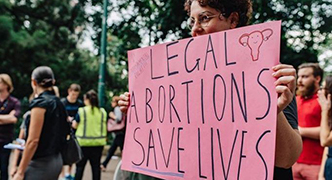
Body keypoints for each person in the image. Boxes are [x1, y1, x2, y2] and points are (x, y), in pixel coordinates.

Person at [118, 0, 303, 179]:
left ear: (233, 20)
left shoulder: (269, 75)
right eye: (192, 20)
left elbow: (287, 159)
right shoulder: (181, 82)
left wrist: (271, 111)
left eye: (205, 18)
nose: (195, 28)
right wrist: (140, 110)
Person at [12, 66, 70, 180]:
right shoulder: (59, 103)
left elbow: (33, 141)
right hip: (57, 159)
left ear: (33, 82)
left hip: (41, 163)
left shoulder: (40, 104)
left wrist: (20, 171)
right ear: (53, 82)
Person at [293, 63, 324, 180]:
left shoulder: (324, 100)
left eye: (305, 77)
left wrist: (300, 131)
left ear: (317, 78)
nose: (299, 81)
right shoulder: (294, 100)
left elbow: (328, 132)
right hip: (294, 163)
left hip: (316, 164)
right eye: (299, 77)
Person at [0, 74, 21, 180]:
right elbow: (10, 118)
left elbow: (14, 119)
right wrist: (6, 117)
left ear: (6, 84)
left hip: (6, 139)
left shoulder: (14, 102)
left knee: (4, 168)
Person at [73, 90, 107, 180]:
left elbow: (75, 125)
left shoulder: (82, 111)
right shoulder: (103, 112)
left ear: (87, 99)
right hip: (98, 144)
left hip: (83, 144)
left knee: (80, 168)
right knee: (96, 168)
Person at [60, 83, 83, 180]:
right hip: (63, 129)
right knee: (61, 153)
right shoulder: (63, 102)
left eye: (76, 95)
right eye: (73, 94)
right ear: (69, 91)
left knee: (72, 151)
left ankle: (68, 173)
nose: (74, 97)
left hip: (74, 130)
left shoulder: (80, 103)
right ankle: (61, 175)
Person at [101, 96, 125, 171]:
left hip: (119, 133)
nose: (112, 103)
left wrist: (112, 115)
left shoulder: (117, 109)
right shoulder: (121, 109)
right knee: (120, 150)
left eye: (113, 101)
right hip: (120, 133)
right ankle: (104, 164)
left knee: (112, 150)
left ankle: (104, 164)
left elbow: (118, 118)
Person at [318, 75, 332, 180]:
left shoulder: (326, 111)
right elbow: (328, 149)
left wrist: (324, 110)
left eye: (323, 88)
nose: (320, 92)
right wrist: (321, 175)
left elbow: (325, 141)